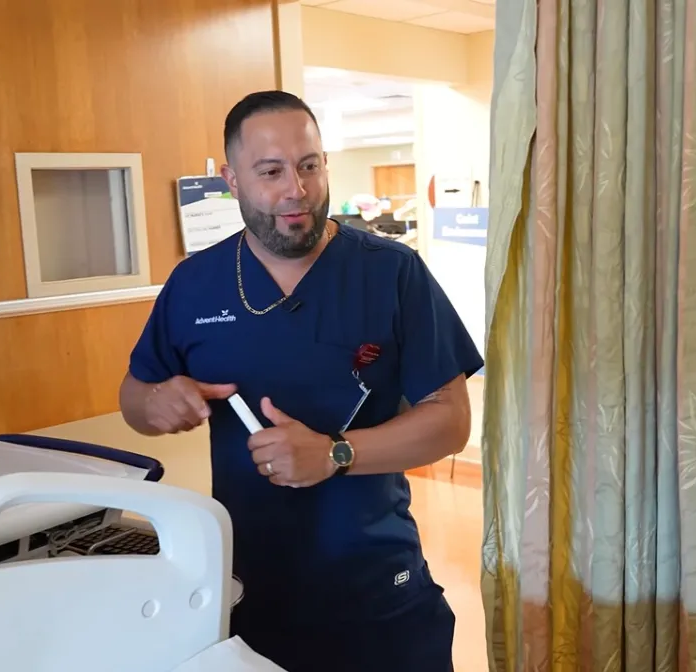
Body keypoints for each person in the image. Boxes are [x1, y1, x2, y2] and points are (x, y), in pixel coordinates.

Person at [119, 90, 483, 672]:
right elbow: (135, 395)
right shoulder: (195, 284)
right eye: (270, 171)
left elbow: (451, 420)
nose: (297, 189)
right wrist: (156, 404)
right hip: (249, 587)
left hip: (376, 585)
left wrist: (335, 454)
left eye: (309, 165)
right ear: (230, 179)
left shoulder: (390, 272)